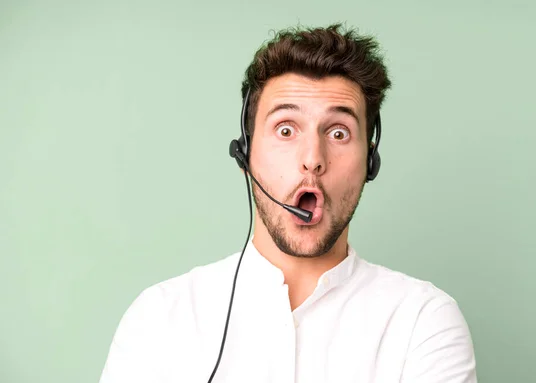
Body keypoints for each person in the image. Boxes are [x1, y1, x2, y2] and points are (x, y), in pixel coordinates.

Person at [99, 23, 477, 383]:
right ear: (245, 155)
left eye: (339, 132)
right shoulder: (159, 319)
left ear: (370, 162)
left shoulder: (423, 320)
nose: (313, 158)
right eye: (285, 129)